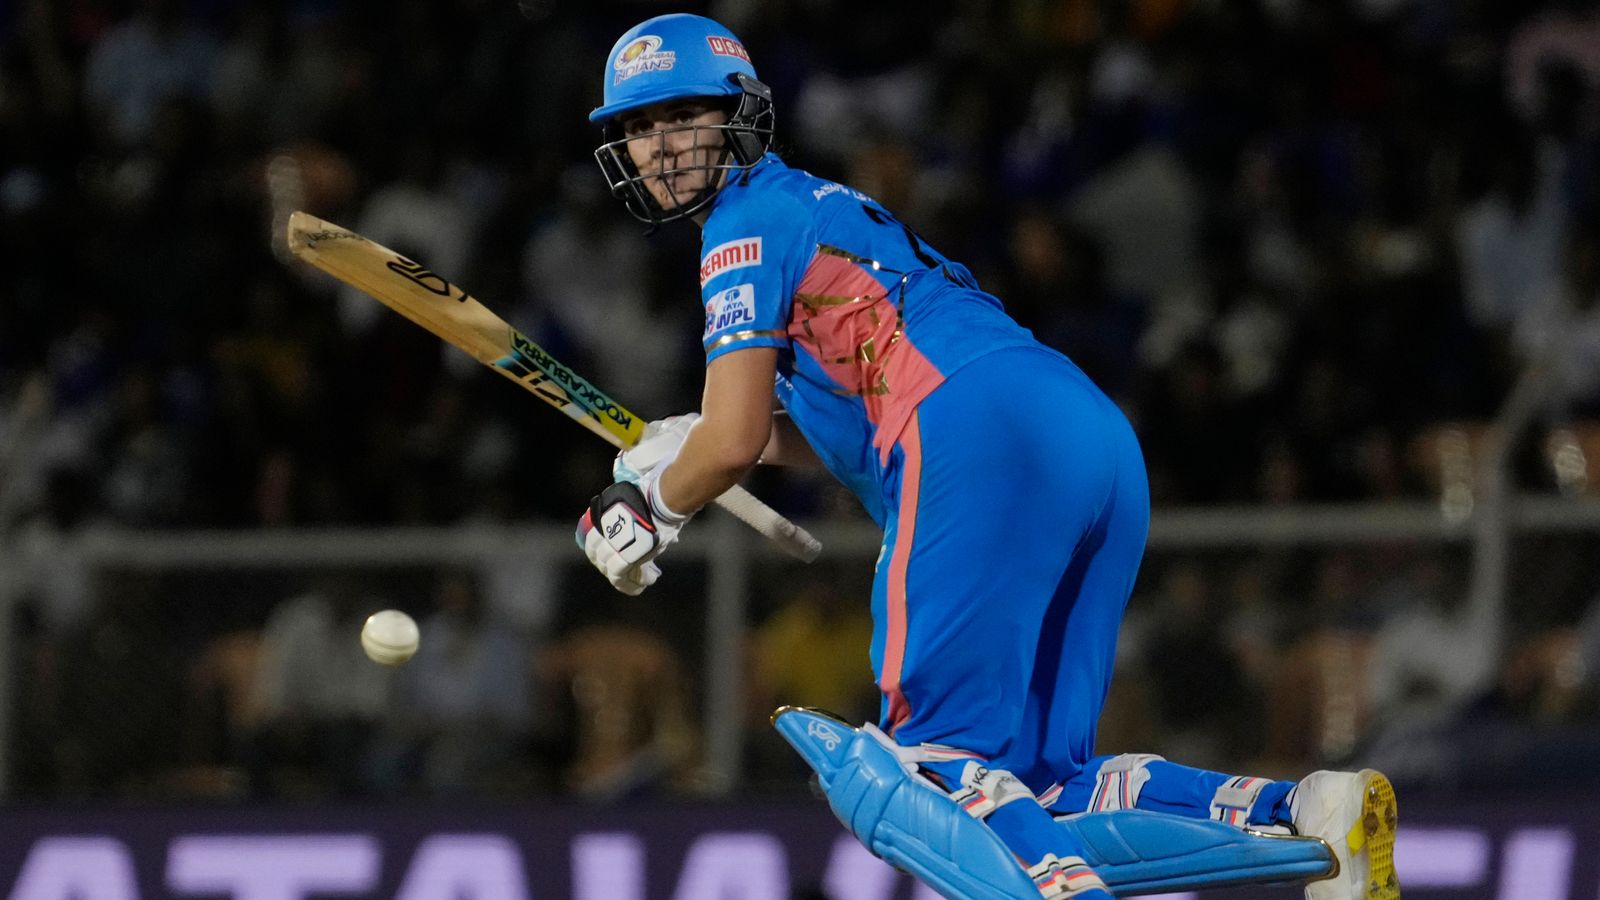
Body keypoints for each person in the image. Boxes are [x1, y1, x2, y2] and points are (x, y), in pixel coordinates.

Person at [572, 14, 1398, 900]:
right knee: (1043, 787)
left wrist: (648, 505)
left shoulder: (742, 224)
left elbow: (735, 439)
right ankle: (1310, 812)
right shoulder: (820, 209)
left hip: (972, 429)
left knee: (921, 769)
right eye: (637, 127)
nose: (655, 147)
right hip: (1084, 433)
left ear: (738, 112)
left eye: (677, 118)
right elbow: (825, 431)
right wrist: (685, 447)